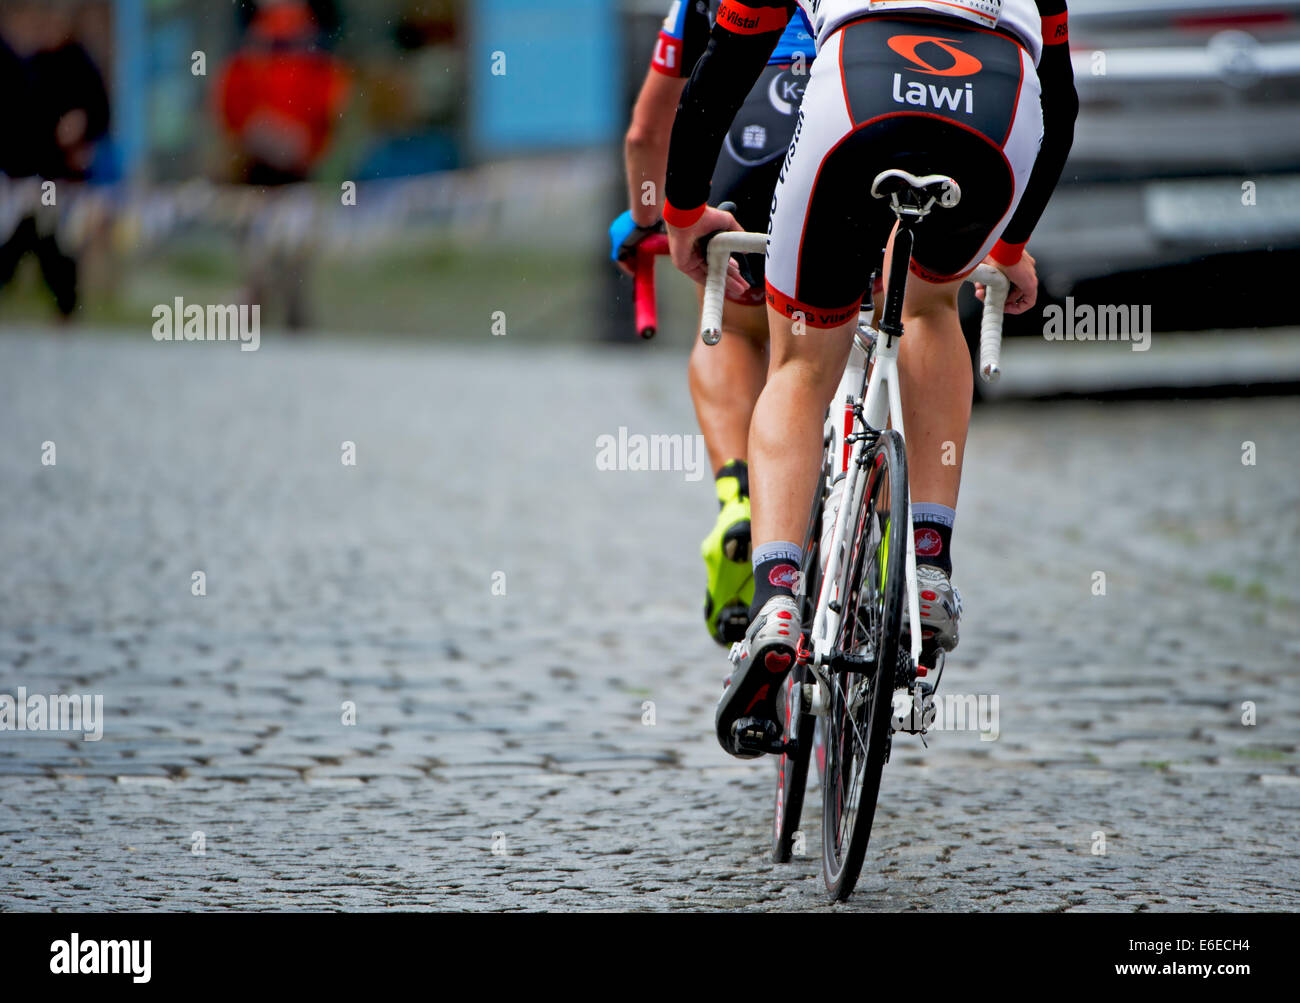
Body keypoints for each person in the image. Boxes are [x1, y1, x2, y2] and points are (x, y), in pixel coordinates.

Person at [662, 0, 1078, 757]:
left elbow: (728, 59)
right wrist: (1012, 244)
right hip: (997, 110)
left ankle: (779, 602)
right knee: (928, 307)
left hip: (858, 90)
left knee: (799, 362)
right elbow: (1065, 98)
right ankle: (929, 563)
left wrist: (684, 210)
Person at [610, 2, 816, 645]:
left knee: (736, 326)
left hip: (738, 155)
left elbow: (647, 130)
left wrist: (649, 221)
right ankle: (892, 533)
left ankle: (739, 493)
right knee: (858, 330)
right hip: (854, 130)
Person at [0, 2, 110, 319]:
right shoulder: (29, 62)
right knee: (20, 238)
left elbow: (100, 114)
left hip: (62, 178)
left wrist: (82, 125)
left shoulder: (79, 63)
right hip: (25, 176)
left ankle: (66, 311)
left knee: (57, 243)